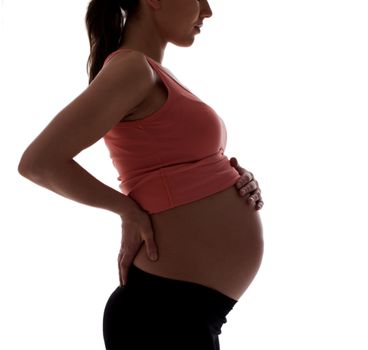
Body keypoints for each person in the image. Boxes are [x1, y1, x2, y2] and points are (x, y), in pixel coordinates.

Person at [17, 0, 265, 348]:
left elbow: (171, 164)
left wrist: (230, 175)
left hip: (186, 313)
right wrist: (126, 209)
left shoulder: (148, 72)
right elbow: (39, 162)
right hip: (160, 315)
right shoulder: (131, 68)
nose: (207, 10)